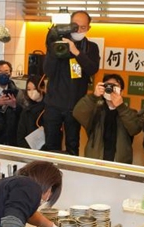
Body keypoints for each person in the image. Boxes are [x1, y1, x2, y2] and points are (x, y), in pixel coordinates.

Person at [43, 10, 100, 155]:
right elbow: (48, 71)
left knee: (73, 146)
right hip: (53, 104)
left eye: (83, 27)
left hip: (75, 106)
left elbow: (92, 69)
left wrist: (76, 52)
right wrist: (53, 47)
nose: (78, 30)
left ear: (88, 28)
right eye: (75, 26)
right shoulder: (59, 42)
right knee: (51, 146)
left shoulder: (91, 47)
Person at [73, 74, 141, 164]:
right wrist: (94, 96)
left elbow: (135, 128)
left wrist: (121, 107)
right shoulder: (95, 111)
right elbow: (77, 113)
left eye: (114, 86)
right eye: (107, 85)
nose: (110, 89)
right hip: (95, 163)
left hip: (119, 165)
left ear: (121, 92)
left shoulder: (128, 112)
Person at [16, 76, 46, 149]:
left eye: (35, 88)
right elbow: (20, 136)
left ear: (42, 88)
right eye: (29, 89)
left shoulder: (49, 110)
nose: (32, 92)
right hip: (29, 150)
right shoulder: (26, 111)